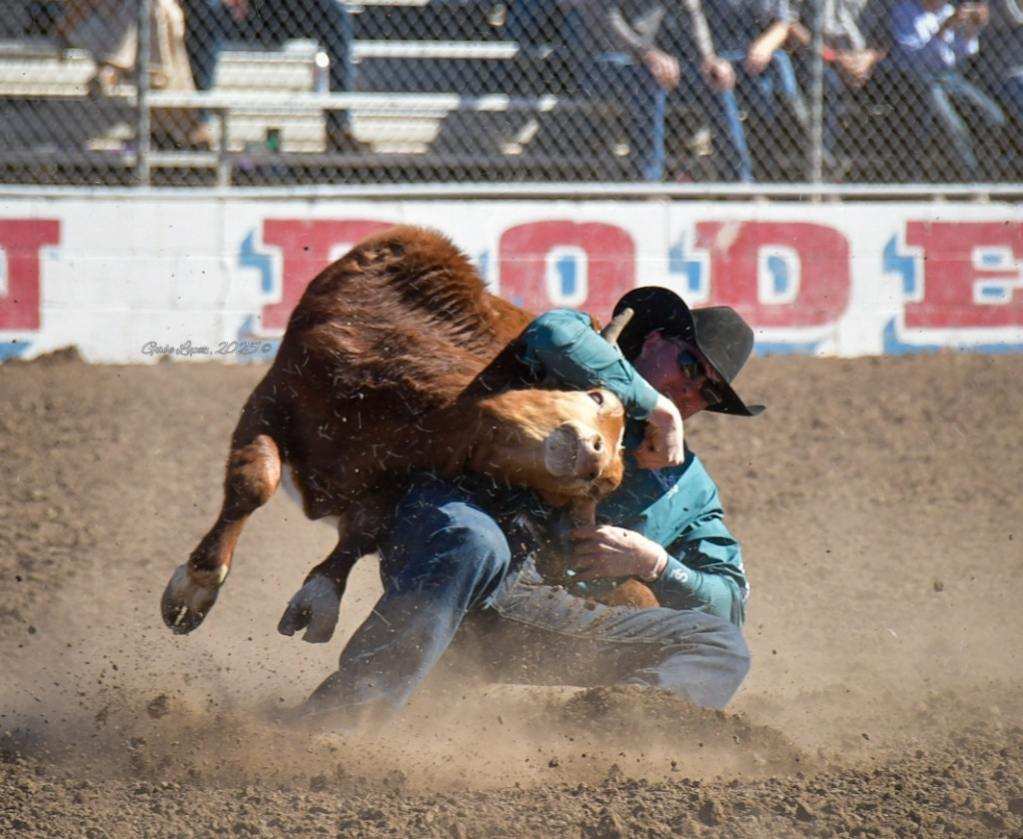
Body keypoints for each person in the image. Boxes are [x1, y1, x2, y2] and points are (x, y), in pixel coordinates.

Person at [299, 287, 764, 727]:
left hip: (536, 608)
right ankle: (339, 720)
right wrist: (656, 406)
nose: (692, 393)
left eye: (710, 393)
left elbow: (729, 604)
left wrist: (657, 564)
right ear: (657, 340)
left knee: (721, 646)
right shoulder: (578, 362)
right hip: (452, 541)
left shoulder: (688, 487)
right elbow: (553, 331)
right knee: (477, 542)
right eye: (689, 366)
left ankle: (601, 743)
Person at [558, 0, 723, 181]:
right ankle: (649, 182)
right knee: (650, 79)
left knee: (718, 79)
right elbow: (608, 21)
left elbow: (694, 13)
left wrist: (709, 58)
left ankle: (740, 181)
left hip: (653, 62)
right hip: (606, 62)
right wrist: (647, 53)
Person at [179, 0, 365, 151]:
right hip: (228, 11)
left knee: (335, 13)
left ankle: (339, 127)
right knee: (206, 8)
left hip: (277, 11)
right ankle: (201, 122)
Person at [682, 0, 810, 182]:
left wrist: (765, 45)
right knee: (721, 86)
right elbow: (695, 19)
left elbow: (783, 23)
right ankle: (741, 182)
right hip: (713, 60)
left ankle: (810, 156)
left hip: (754, 60)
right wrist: (711, 59)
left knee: (779, 64)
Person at [889, 0, 1006, 179]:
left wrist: (971, 30)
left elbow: (961, 53)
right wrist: (944, 28)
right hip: (919, 80)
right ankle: (969, 180)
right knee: (953, 128)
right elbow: (915, 59)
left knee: (994, 117)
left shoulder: (947, 10)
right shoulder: (905, 11)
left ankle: (993, 173)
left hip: (950, 77)